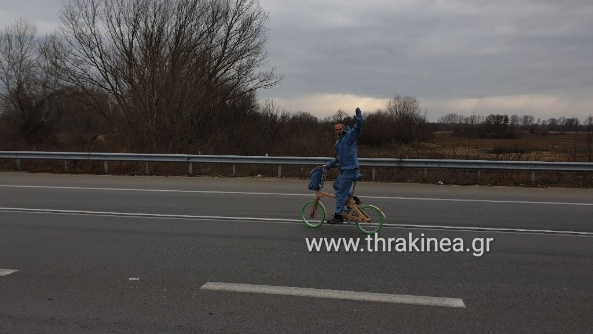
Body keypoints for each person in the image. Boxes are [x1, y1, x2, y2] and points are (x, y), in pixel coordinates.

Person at [324, 107, 363, 224]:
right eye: (336, 130)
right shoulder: (339, 142)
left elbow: (356, 130)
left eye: (340, 129)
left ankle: (338, 216)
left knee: (341, 192)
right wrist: (329, 165)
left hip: (350, 169)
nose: (338, 131)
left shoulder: (348, 138)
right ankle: (353, 199)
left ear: (343, 129)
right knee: (336, 185)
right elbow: (339, 158)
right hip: (345, 170)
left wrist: (359, 121)